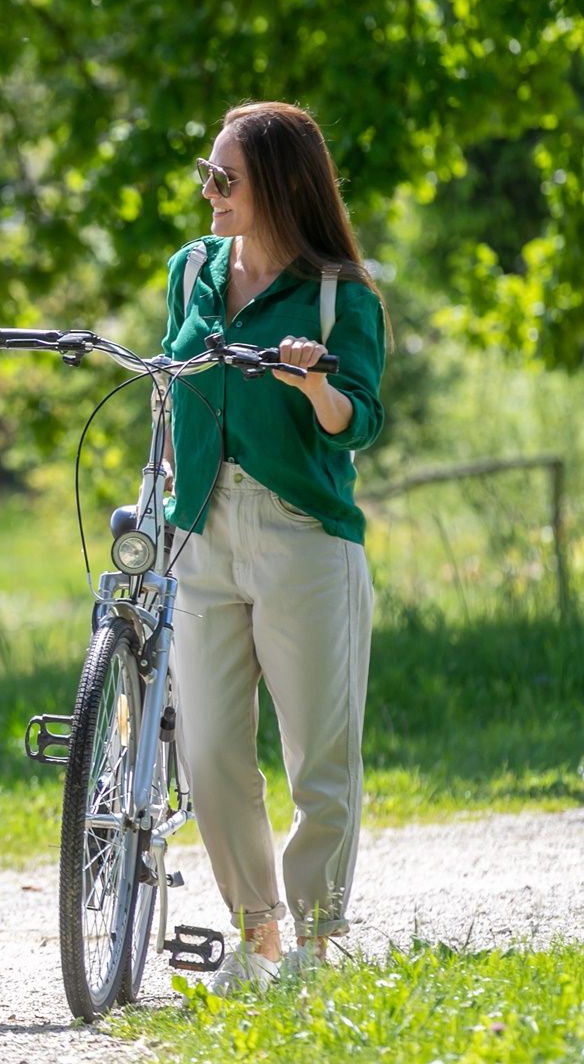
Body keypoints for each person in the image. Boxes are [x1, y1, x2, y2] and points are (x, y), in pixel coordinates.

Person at [163, 101, 386, 992]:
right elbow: (170, 385)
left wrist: (312, 385)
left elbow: (356, 419)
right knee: (210, 750)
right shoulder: (189, 274)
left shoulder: (340, 294)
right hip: (201, 530)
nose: (209, 192)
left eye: (227, 179)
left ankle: (318, 942)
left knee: (318, 754)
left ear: (281, 188)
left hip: (303, 536)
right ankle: (256, 933)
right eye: (207, 175)